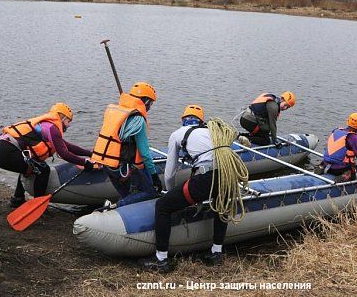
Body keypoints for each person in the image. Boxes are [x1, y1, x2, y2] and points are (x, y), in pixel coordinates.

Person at [140, 106, 243, 273]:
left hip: (206, 177)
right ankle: (216, 254)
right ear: (201, 121)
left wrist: (170, 193)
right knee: (221, 207)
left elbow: (170, 173)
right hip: (228, 174)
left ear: (183, 120)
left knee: (163, 206)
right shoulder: (213, 132)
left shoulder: (177, 134)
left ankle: (161, 260)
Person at [0, 102, 94, 207]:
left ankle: (17, 200)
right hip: (5, 152)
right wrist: (85, 162)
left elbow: (68, 146)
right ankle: (38, 205)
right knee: (43, 169)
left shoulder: (46, 125)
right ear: (62, 117)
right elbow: (64, 154)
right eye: (68, 121)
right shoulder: (52, 129)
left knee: (30, 165)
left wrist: (89, 153)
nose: (69, 125)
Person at [91, 82, 162, 208]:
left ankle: (120, 208)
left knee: (127, 195)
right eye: (150, 103)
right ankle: (114, 207)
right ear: (145, 101)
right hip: (122, 168)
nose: (150, 107)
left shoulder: (115, 112)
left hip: (107, 164)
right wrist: (154, 175)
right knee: (149, 192)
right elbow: (145, 153)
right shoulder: (138, 120)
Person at [317, 112, 357, 182]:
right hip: (339, 169)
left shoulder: (336, 130)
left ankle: (322, 167)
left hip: (326, 163)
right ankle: (346, 175)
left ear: (348, 121)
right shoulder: (355, 138)